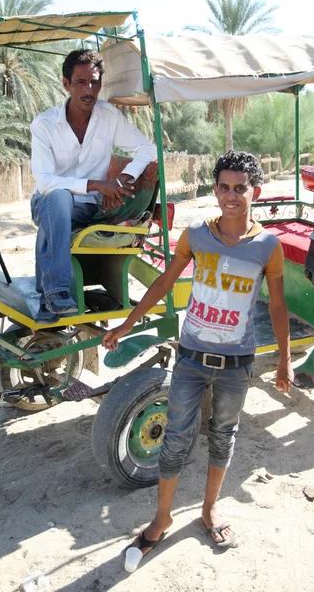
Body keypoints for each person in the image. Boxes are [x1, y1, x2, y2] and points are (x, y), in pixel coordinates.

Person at [103, 150, 293, 558]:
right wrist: (126, 324)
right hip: (190, 357)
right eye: (223, 187)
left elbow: (276, 306)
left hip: (237, 364)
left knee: (223, 438)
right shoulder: (196, 235)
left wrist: (284, 359)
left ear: (254, 192)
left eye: (239, 189)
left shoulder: (267, 246)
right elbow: (165, 283)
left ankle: (208, 511)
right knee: (175, 439)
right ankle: (163, 517)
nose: (231, 196)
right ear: (215, 190)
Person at [30, 49, 157, 323]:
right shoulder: (44, 125)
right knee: (58, 200)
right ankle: (56, 292)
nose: (89, 90)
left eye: (95, 82)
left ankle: (48, 300)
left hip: (86, 208)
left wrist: (126, 177)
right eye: (81, 82)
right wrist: (98, 185)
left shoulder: (108, 116)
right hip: (45, 201)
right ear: (66, 84)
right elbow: (45, 181)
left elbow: (148, 148)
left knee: (61, 208)